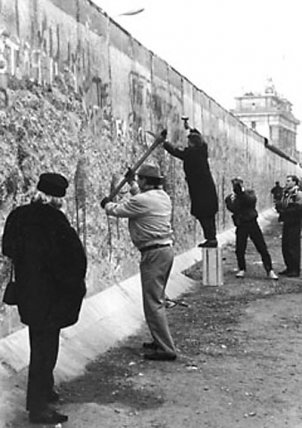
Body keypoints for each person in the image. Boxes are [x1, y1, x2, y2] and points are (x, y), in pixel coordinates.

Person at [2, 173, 87, 425]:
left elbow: (7, 248)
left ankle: (46, 390)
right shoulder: (56, 222)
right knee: (45, 351)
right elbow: (74, 260)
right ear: (58, 198)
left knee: (38, 344)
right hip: (52, 296)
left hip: (29, 293)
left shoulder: (18, 215)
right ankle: (38, 408)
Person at [101, 164, 177, 361]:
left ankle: (166, 348)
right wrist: (133, 182)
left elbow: (118, 210)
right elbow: (139, 198)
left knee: (153, 303)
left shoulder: (142, 201)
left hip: (154, 253)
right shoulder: (163, 197)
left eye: (140, 180)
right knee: (156, 299)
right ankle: (158, 340)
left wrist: (106, 204)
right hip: (164, 251)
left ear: (145, 181)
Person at [163, 127, 218, 248]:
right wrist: (190, 128)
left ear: (192, 143)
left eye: (189, 142)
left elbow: (176, 152)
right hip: (208, 190)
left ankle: (210, 239)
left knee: (204, 215)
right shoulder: (202, 150)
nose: (187, 144)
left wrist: (164, 142)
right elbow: (201, 140)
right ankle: (211, 238)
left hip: (200, 192)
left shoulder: (192, 153)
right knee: (209, 216)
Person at [225, 177, 278, 280]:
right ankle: (242, 269)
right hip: (241, 224)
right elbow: (232, 208)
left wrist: (241, 194)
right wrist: (236, 197)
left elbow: (250, 201)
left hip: (252, 223)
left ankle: (269, 270)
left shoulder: (249, 193)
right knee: (240, 248)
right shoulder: (231, 197)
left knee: (261, 247)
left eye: (238, 183)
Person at [275, 174, 302, 277]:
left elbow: (298, 209)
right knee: (285, 245)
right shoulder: (286, 193)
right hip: (287, 221)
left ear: (295, 182)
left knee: (293, 246)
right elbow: (282, 204)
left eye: (289, 181)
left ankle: (295, 269)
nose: (286, 183)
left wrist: (285, 211)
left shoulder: (298, 194)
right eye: (286, 181)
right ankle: (289, 267)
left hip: (295, 222)